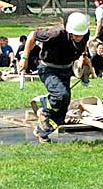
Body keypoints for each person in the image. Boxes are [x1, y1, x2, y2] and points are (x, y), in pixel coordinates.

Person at [18, 12, 91, 143]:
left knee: (62, 109)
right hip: (49, 68)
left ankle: (42, 132)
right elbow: (32, 36)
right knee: (61, 95)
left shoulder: (85, 33)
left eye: (81, 35)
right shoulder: (55, 34)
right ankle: (45, 102)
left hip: (66, 69)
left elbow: (83, 45)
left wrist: (84, 57)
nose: (79, 37)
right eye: (76, 35)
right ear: (69, 31)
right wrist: (24, 58)